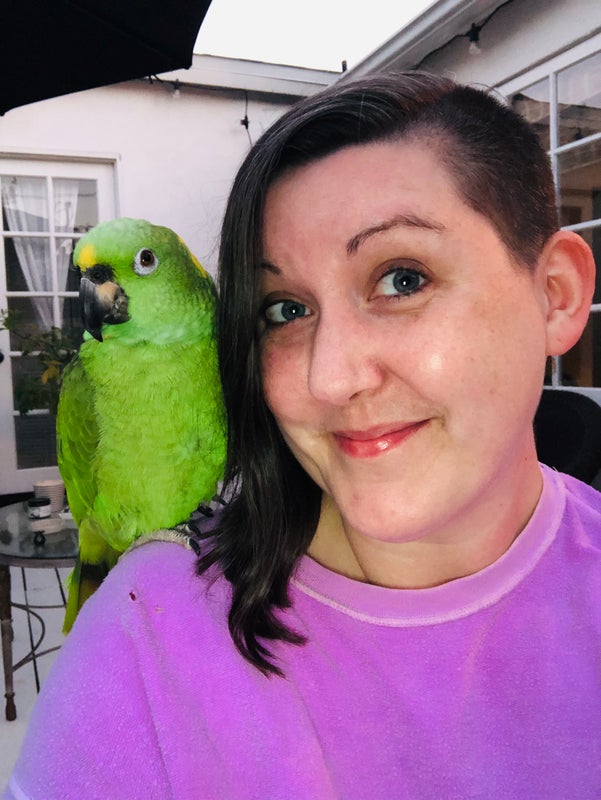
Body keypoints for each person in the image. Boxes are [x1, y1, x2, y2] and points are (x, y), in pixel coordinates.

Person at [5, 71, 601, 799]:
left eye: (402, 279)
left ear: (556, 296)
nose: (331, 378)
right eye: (285, 310)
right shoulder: (145, 636)